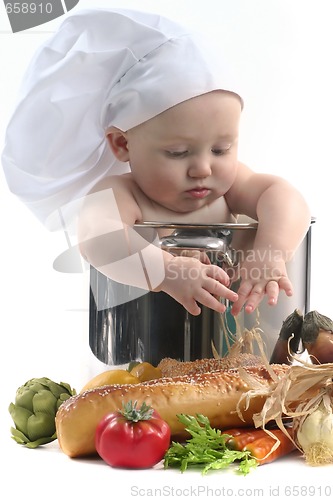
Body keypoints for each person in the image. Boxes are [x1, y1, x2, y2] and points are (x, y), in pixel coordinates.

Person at [2, 8, 311, 318]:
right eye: (178, 152)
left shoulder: (232, 187)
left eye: (220, 149)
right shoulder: (124, 194)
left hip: (241, 344)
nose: (203, 169)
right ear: (122, 144)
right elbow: (97, 239)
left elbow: (287, 198)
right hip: (143, 347)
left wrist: (271, 251)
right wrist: (166, 271)